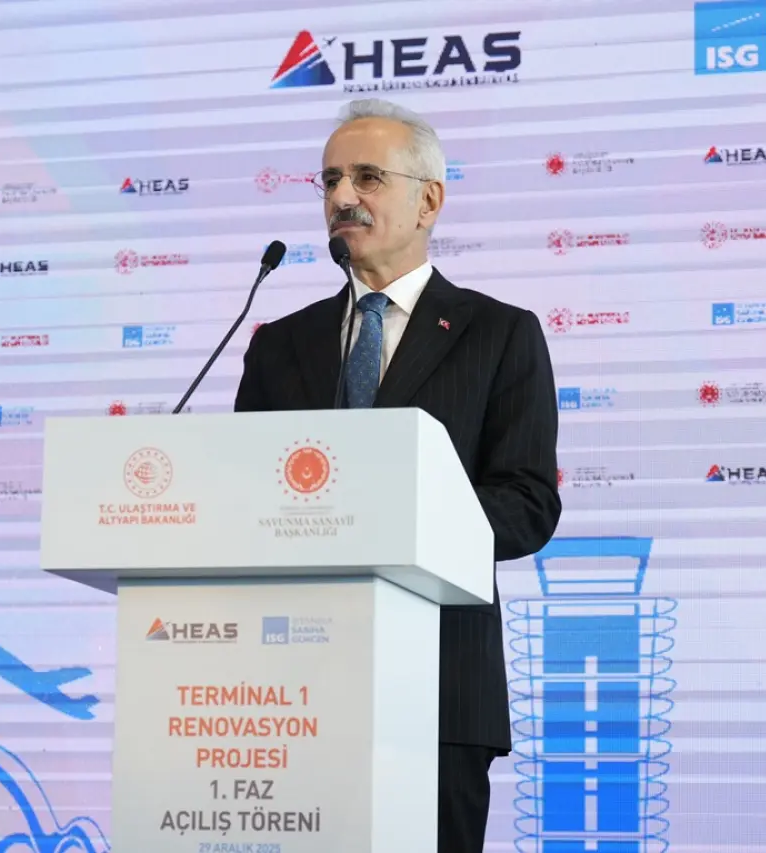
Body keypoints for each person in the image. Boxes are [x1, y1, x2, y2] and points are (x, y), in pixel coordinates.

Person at [233, 97, 562, 853]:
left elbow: (526, 505)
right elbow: (242, 499)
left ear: (429, 201)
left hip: (439, 687)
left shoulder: (499, 333)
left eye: (368, 177)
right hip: (288, 692)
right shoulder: (279, 344)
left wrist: (398, 516)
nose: (342, 196)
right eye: (330, 180)